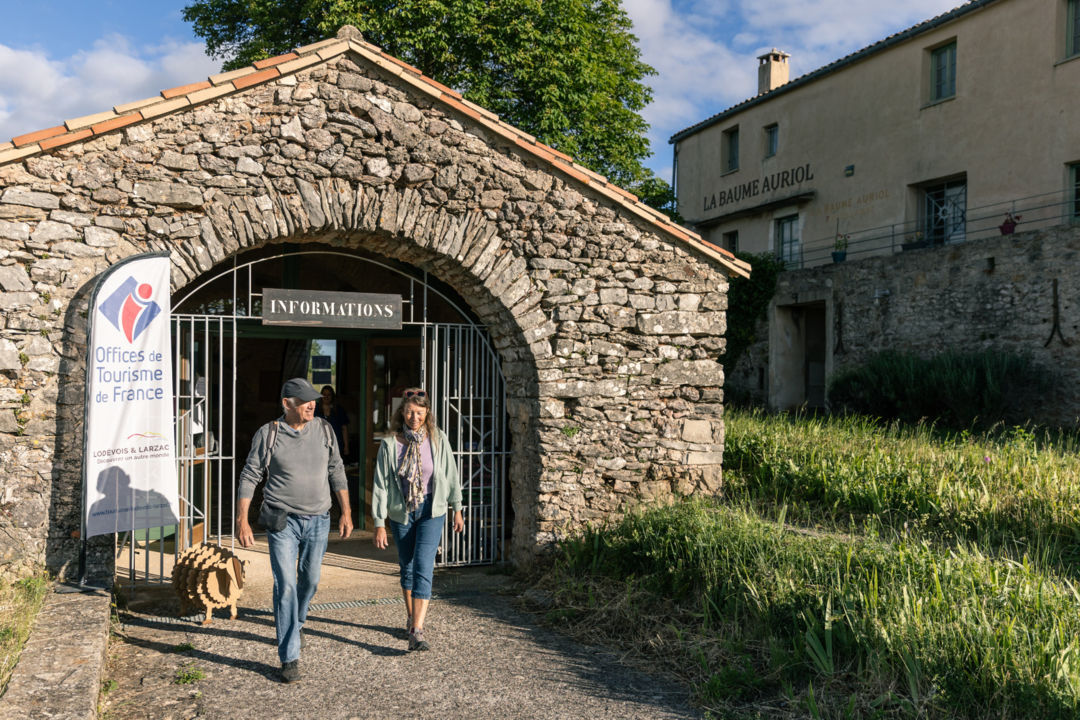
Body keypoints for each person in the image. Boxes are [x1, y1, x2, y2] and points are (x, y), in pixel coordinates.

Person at [235, 377, 352, 683]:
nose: (311, 404)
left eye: (313, 399)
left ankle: (296, 621)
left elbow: (336, 469)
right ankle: (289, 656)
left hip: (319, 519)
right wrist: (241, 519)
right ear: (287, 404)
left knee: (310, 581)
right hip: (282, 521)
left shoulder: (325, 429)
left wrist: (347, 512)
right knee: (286, 584)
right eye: (304, 401)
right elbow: (250, 475)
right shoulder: (269, 433)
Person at [372, 388, 464, 651]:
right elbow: (380, 485)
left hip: (430, 510)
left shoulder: (438, 439)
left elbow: (450, 474)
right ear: (402, 412)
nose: (414, 417)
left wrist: (457, 507)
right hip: (402, 513)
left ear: (427, 414)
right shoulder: (390, 444)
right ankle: (411, 616)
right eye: (410, 411)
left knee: (424, 566)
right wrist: (379, 522)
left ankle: (417, 630)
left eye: (420, 412)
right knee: (407, 568)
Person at [315, 385, 350, 460]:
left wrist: (346, 446)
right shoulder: (316, 410)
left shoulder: (339, 410)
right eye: (324, 394)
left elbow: (344, 429)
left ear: (332, 396)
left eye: (329, 395)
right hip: (319, 445)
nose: (326, 397)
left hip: (336, 445)